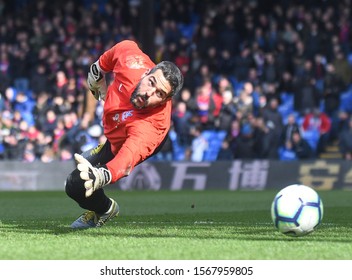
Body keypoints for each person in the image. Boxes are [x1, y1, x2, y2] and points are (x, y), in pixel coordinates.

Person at [65, 40, 183, 228]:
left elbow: (126, 160)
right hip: (116, 131)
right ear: (146, 73)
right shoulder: (132, 61)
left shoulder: (152, 125)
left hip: (129, 141)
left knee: (75, 184)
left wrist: (103, 175)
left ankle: (105, 209)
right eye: (151, 82)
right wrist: (98, 70)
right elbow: (124, 46)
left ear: (165, 101)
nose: (148, 93)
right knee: (78, 172)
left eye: (159, 94)